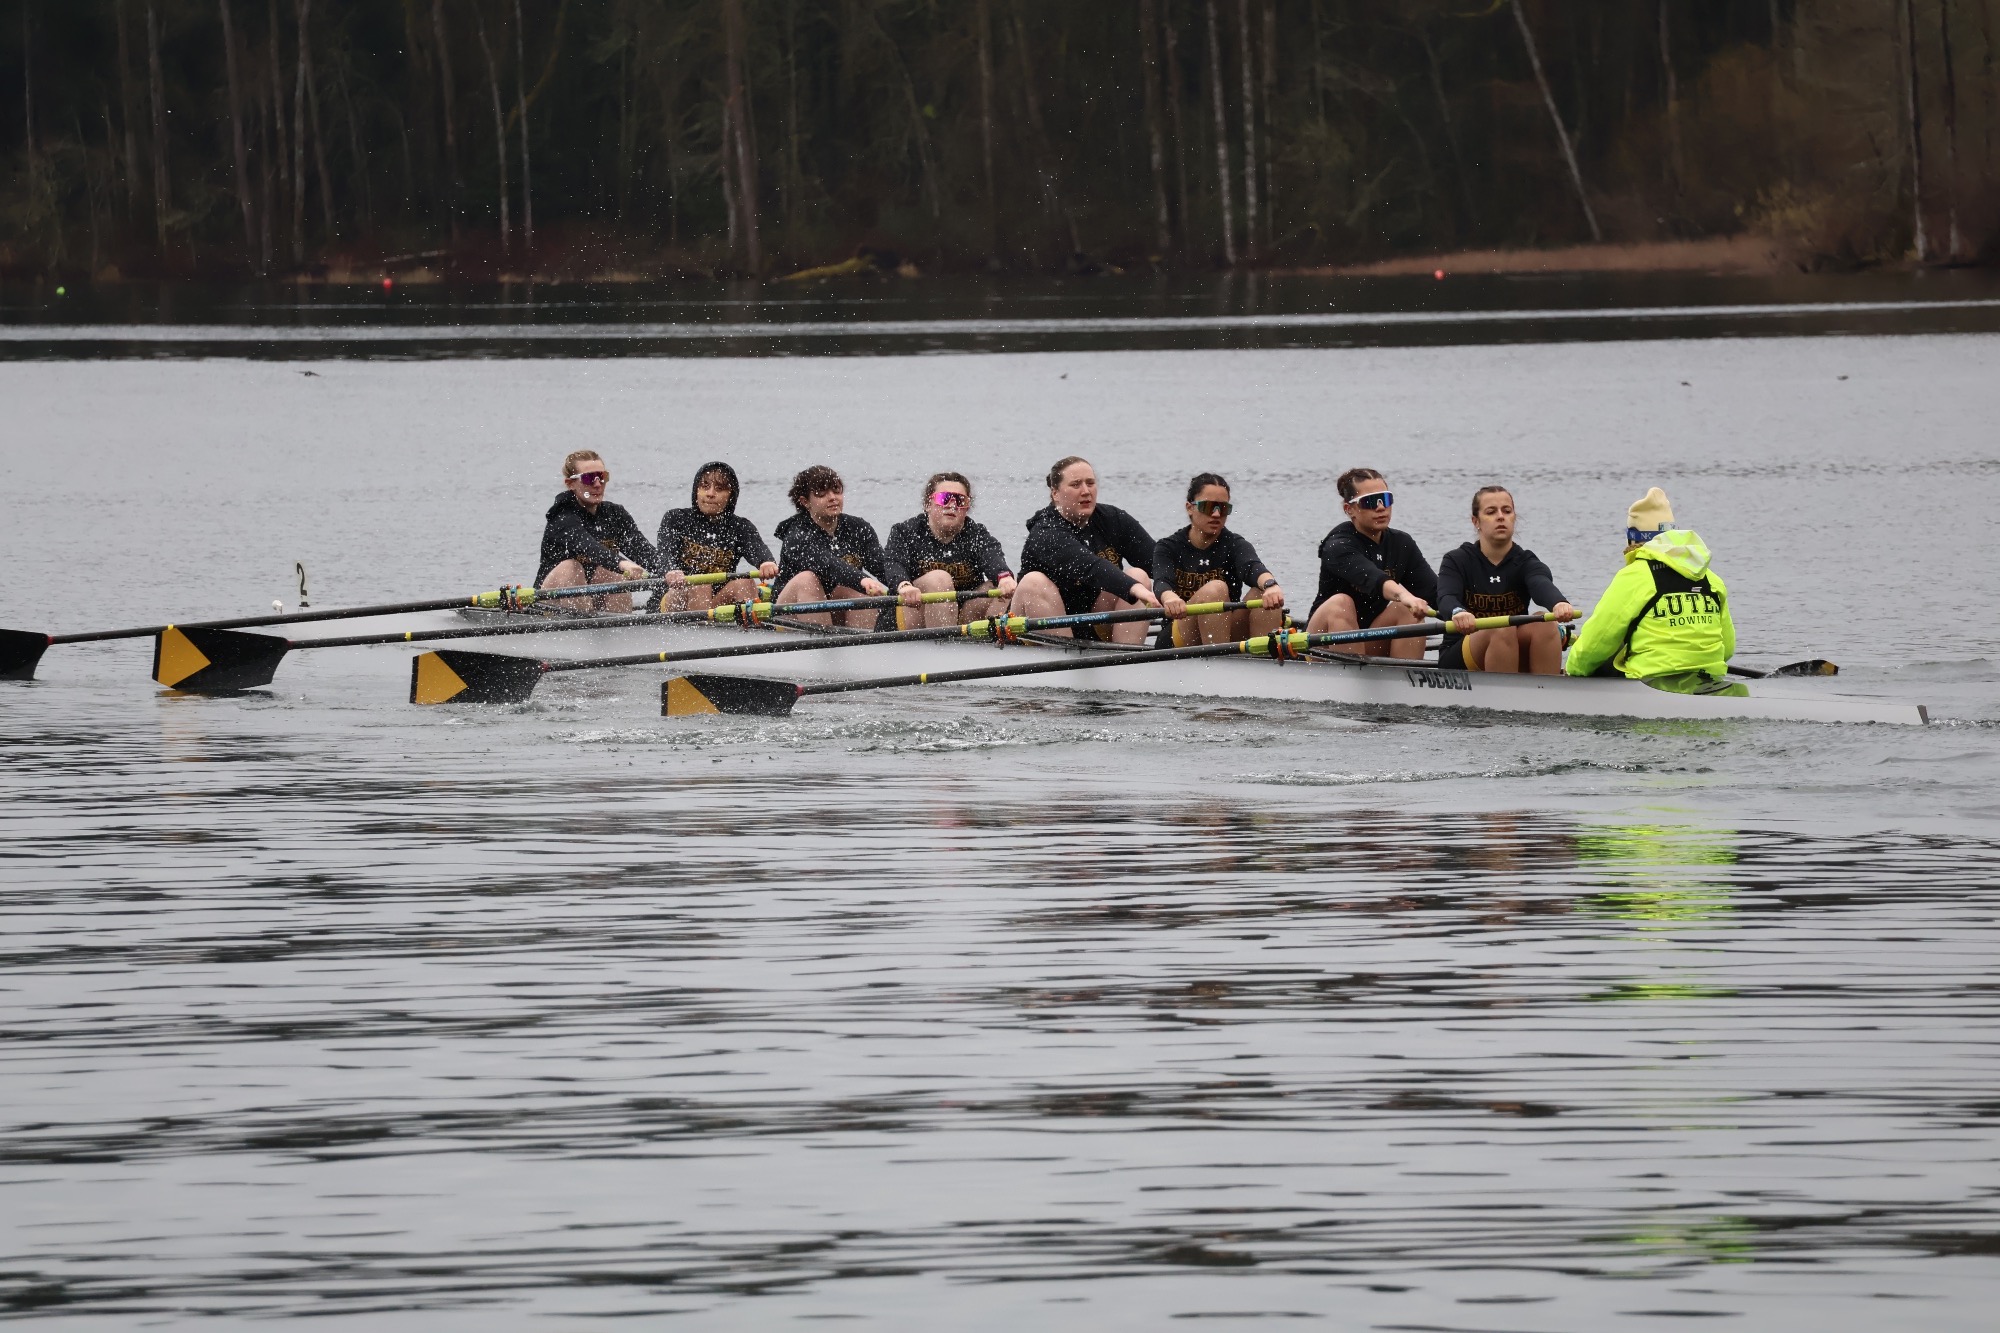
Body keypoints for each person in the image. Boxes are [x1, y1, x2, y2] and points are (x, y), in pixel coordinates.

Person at [1565, 487, 1741, 693]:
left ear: (1633, 538)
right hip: (1709, 680)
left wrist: (1573, 672)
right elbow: (1727, 649)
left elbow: (1596, 643)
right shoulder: (1711, 578)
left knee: (1602, 661)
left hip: (1650, 687)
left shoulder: (1634, 576)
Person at [1012, 456, 1160, 643]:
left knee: (1139, 575)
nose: (1086, 491)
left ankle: (1126, 662)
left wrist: (1174, 591)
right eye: (1075, 485)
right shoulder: (1045, 532)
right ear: (1055, 493)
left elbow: (1157, 563)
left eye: (1090, 483)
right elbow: (1089, 567)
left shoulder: (1113, 519)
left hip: (1092, 622)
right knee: (1034, 582)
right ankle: (1062, 662)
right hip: (1039, 629)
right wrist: (1135, 589)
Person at [1436, 486, 1578, 673]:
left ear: (1514, 518)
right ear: (1475, 521)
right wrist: (1457, 612)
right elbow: (1446, 597)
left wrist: (1558, 603)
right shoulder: (1456, 560)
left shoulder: (1526, 561)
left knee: (1545, 625)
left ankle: (1547, 694)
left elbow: (1540, 583)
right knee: (1502, 628)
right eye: (1491, 512)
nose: (1501, 516)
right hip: (1461, 652)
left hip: (1510, 646)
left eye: (1507, 511)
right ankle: (1504, 698)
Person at [1305, 468, 1438, 659]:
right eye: (1370, 502)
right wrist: (1404, 595)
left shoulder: (1401, 544)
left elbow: (1436, 593)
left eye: (1385, 499)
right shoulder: (1338, 545)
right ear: (1349, 509)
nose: (1380, 508)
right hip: (1321, 644)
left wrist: (1463, 612)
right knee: (1342, 602)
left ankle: (1404, 685)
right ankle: (1348, 680)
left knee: (1406, 610)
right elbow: (1372, 577)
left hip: (1368, 639)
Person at [1149, 472, 1285, 645]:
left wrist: (1271, 585)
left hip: (1223, 628)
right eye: (1208, 507)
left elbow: (1252, 567)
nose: (1215, 514)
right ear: (1190, 507)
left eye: (1222, 508)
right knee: (1216, 589)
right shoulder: (1168, 546)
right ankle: (1220, 665)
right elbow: (1161, 582)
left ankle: (1263, 663)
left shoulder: (1235, 544)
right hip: (1179, 635)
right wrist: (1170, 598)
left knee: (1262, 593)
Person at [884, 472, 1017, 629]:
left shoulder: (976, 534)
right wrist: (904, 585)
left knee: (1002, 588)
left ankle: (990, 645)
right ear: (928, 504)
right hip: (913, 614)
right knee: (939, 579)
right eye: (944, 499)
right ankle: (944, 647)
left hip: (966, 615)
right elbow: (893, 564)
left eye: (960, 500)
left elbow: (993, 557)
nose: (952, 505)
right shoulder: (905, 531)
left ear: (966, 508)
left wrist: (1004, 578)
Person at [535, 450, 659, 614]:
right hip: (547, 606)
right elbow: (588, 546)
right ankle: (579, 634)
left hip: (592, 600)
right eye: (588, 478)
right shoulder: (562, 517)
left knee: (611, 573)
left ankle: (621, 633)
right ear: (570, 483)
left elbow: (643, 551)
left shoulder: (614, 515)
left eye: (601, 476)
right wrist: (622, 563)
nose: (597, 484)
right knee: (572, 568)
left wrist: (671, 570)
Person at [772, 465, 892, 629]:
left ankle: (865, 650)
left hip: (832, 608)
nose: (832, 497)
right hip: (788, 614)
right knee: (807, 579)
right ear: (805, 501)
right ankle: (818, 650)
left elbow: (883, 566)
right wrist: (862, 580)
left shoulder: (858, 528)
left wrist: (905, 583)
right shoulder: (796, 535)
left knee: (856, 590)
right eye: (822, 493)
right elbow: (826, 564)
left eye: (836, 490)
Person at [654, 461, 778, 613]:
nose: (710, 494)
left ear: (730, 496)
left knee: (745, 582)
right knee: (701, 583)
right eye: (705, 487)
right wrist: (671, 570)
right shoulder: (676, 518)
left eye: (719, 489)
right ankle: (699, 634)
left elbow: (757, 548)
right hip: (673, 600)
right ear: (696, 491)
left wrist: (766, 562)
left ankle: (750, 630)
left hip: (714, 603)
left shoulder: (740, 527)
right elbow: (664, 552)